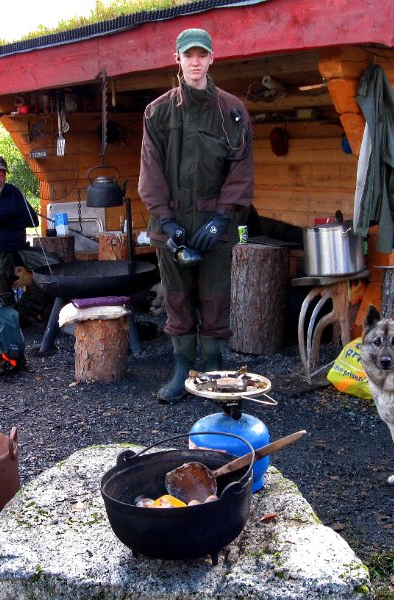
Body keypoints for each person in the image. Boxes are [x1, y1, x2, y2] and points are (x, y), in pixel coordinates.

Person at [138, 28, 254, 402]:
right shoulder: (158, 112)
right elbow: (150, 172)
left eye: (202, 55)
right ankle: (182, 371)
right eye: (188, 55)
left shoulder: (232, 111)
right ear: (178, 59)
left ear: (211, 58)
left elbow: (241, 171)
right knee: (177, 300)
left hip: (215, 227)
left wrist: (220, 219)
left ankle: (214, 369)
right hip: (171, 226)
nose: (195, 62)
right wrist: (167, 221)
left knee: (216, 300)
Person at [0, 155, 58, 316]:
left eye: (2, 175)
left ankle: (24, 311)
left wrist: (2, 216)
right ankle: (6, 314)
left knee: (54, 265)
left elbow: (32, 219)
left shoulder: (13, 191)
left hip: (18, 249)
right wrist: (14, 213)